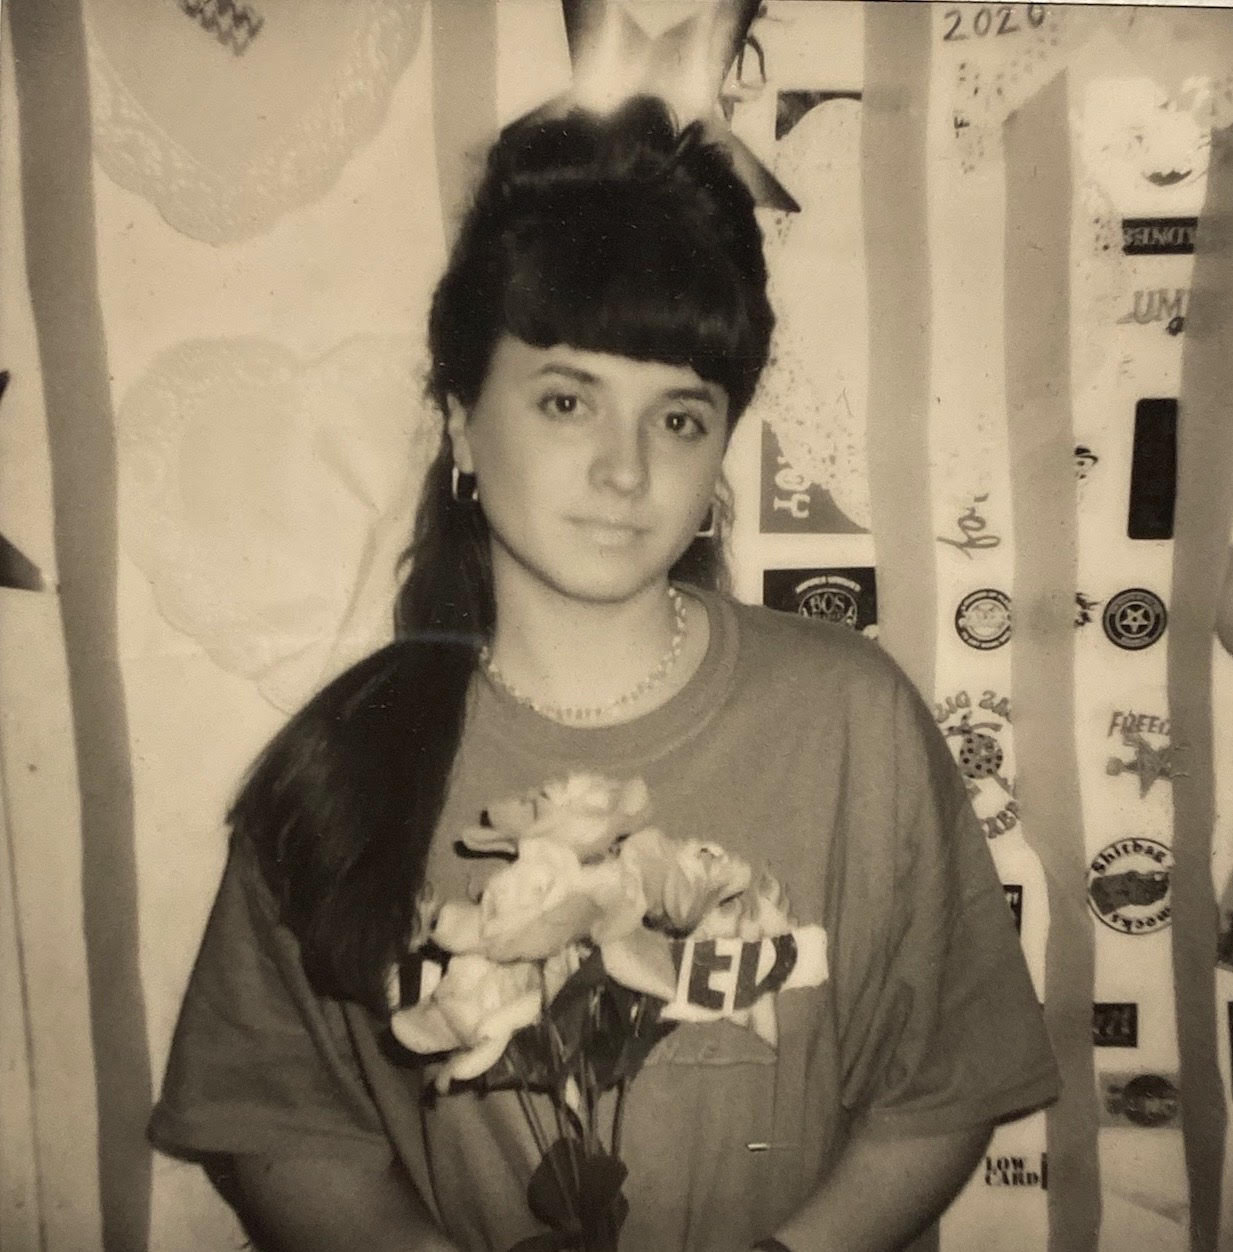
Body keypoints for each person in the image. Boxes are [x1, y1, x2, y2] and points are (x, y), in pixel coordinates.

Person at [149, 96, 1059, 1252]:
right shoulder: (344, 755)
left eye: (678, 419)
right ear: (462, 423)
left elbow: (941, 1090)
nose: (625, 470)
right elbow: (284, 1128)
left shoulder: (851, 717)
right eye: (567, 400)